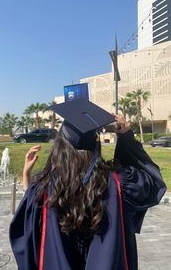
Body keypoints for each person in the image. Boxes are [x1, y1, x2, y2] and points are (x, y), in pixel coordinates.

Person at [9, 99, 166, 270]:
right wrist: (126, 137)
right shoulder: (118, 184)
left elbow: (26, 231)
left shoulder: (43, 187)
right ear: (96, 145)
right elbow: (152, 181)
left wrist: (27, 176)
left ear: (60, 145)